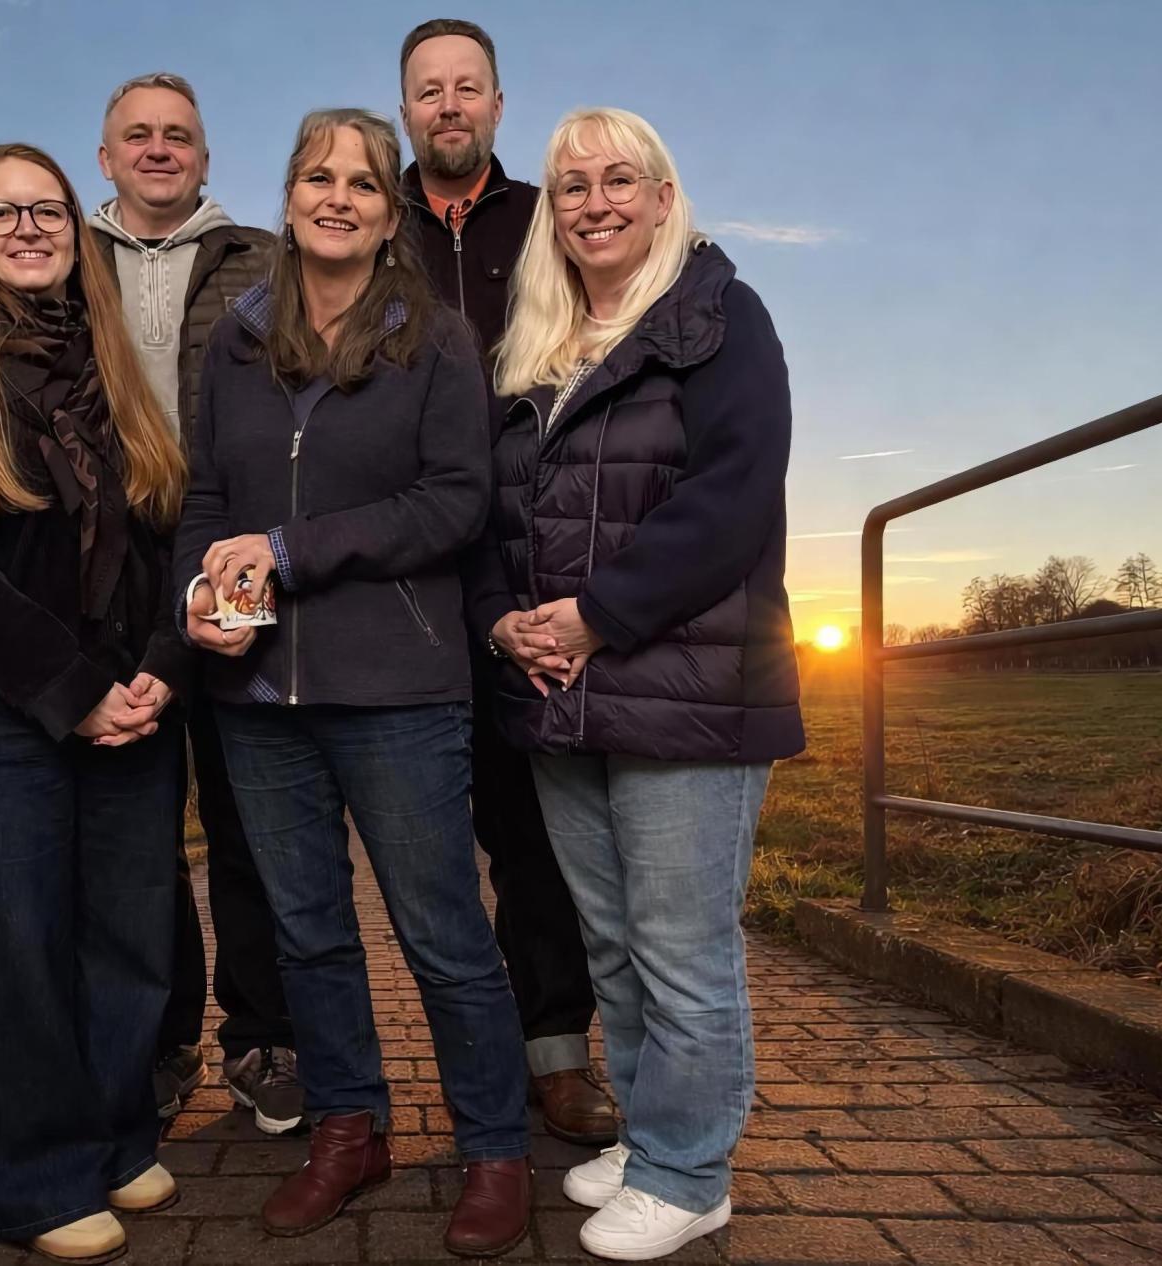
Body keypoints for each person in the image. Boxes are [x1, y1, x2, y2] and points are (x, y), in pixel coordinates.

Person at [177, 108, 532, 1258]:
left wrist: (288, 558)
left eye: (365, 184)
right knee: (307, 932)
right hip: (260, 700)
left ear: (391, 217)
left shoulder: (433, 341)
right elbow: (209, 506)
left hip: (398, 685)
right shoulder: (234, 341)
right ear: (286, 197)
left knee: (441, 932)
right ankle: (349, 1130)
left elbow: (451, 504)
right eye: (318, 177)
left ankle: (493, 1149)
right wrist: (214, 607)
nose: (339, 197)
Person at [471, 108, 805, 1260]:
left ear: (664, 197)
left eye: (621, 180)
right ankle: (655, 1132)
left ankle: (689, 1170)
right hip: (565, 692)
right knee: (609, 941)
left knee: (682, 947)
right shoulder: (541, 347)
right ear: (550, 216)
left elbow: (732, 497)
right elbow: (501, 520)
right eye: (572, 188)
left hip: (687, 690)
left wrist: (599, 617)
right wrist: (509, 623)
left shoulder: (719, 319)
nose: (596, 202)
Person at [0, 142, 190, 1263]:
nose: (26, 228)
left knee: (127, 935)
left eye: (46, 211)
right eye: (0, 213)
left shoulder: (112, 378)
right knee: (12, 943)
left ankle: (114, 1137)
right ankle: (35, 1178)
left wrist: (161, 661)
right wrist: (74, 691)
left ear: (76, 225)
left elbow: (160, 538)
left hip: (129, 699)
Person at [396, 18, 616, 1145]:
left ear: (495, 102)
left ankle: (557, 1057)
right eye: (427, 89)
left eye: (466, 87)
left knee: (535, 834)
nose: (447, 105)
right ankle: (468, 1064)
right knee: (426, 845)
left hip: (530, 560)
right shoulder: (363, 221)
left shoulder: (547, 220)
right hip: (403, 577)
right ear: (405, 107)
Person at [88, 70, 302, 1134]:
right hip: (107, 572)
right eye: (140, 135)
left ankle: (265, 1040)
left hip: (232, 561)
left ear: (207, 157)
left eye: (180, 136)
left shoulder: (267, 260)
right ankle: (158, 1044)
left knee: (248, 813)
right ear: (107, 156)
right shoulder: (59, 262)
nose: (160, 150)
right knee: (134, 824)